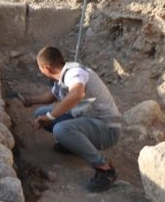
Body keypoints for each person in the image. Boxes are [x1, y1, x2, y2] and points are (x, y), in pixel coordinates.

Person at [20, 46, 122, 192]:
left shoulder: (75, 73)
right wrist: (30, 100)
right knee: (40, 113)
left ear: (46, 68)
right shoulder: (63, 75)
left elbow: (76, 94)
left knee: (61, 129)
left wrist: (50, 117)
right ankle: (72, 145)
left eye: (40, 68)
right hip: (89, 119)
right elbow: (51, 97)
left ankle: (105, 169)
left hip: (107, 129)